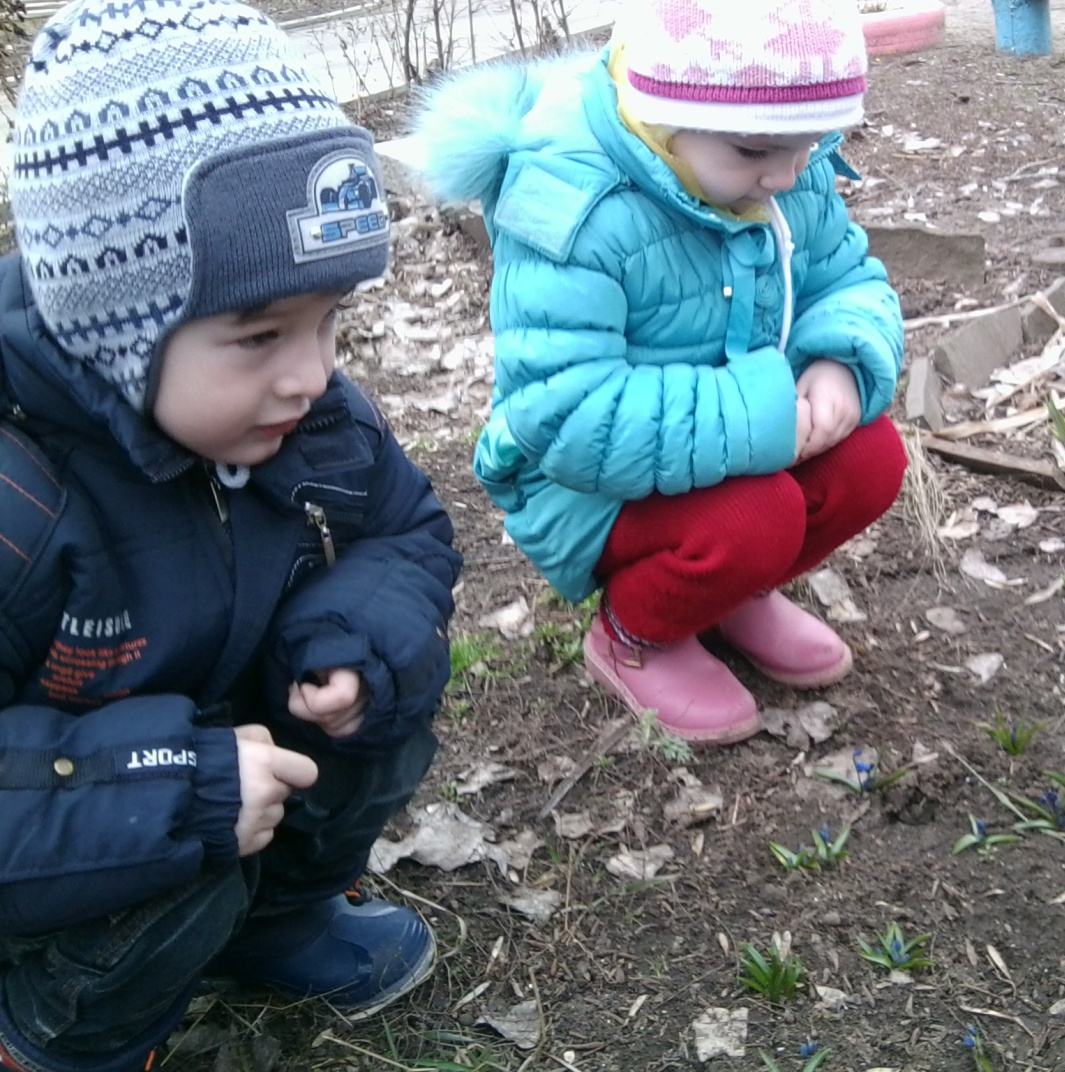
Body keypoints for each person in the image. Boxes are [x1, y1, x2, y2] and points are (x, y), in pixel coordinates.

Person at [0, 0, 464, 1067]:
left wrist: (351, 637)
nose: (310, 372)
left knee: (382, 695)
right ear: (114, 324)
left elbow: (406, 529)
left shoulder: (308, 416)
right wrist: (170, 784)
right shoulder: (19, 500)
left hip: (226, 762)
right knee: (179, 850)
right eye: (258, 334)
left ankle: (279, 925)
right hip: (63, 842)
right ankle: (56, 1033)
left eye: (328, 320)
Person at [414, 0, 906, 746]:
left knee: (869, 459)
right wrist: (765, 415)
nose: (785, 174)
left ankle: (730, 593)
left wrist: (838, 361)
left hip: (728, 439)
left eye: (808, 145)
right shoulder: (577, 207)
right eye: (753, 152)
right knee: (759, 514)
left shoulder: (776, 157)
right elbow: (572, 418)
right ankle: (635, 635)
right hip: (582, 482)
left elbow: (845, 278)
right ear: (661, 116)